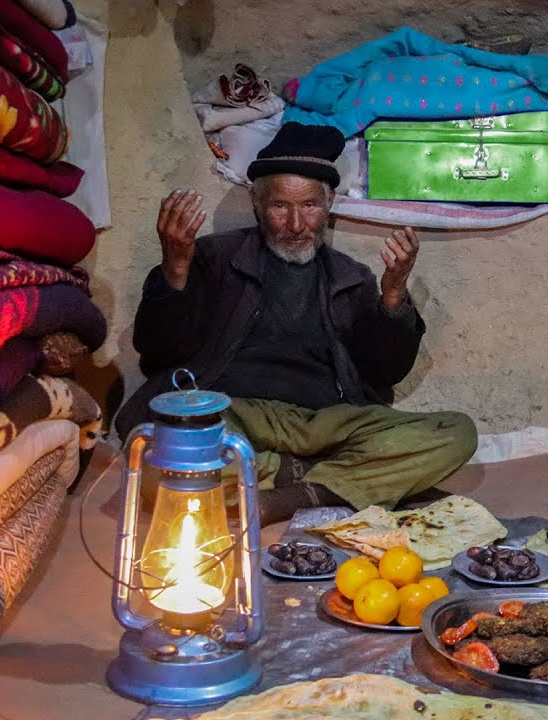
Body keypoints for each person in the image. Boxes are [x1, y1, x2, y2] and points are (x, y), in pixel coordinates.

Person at [115, 122, 478, 524]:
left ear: (329, 202)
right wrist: (175, 270)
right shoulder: (213, 257)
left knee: (455, 433)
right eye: (279, 206)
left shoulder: (350, 276)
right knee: (159, 461)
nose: (295, 224)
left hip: (325, 423)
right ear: (256, 203)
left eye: (309, 206)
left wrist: (393, 298)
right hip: (234, 412)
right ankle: (325, 481)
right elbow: (159, 352)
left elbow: (385, 373)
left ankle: (284, 493)